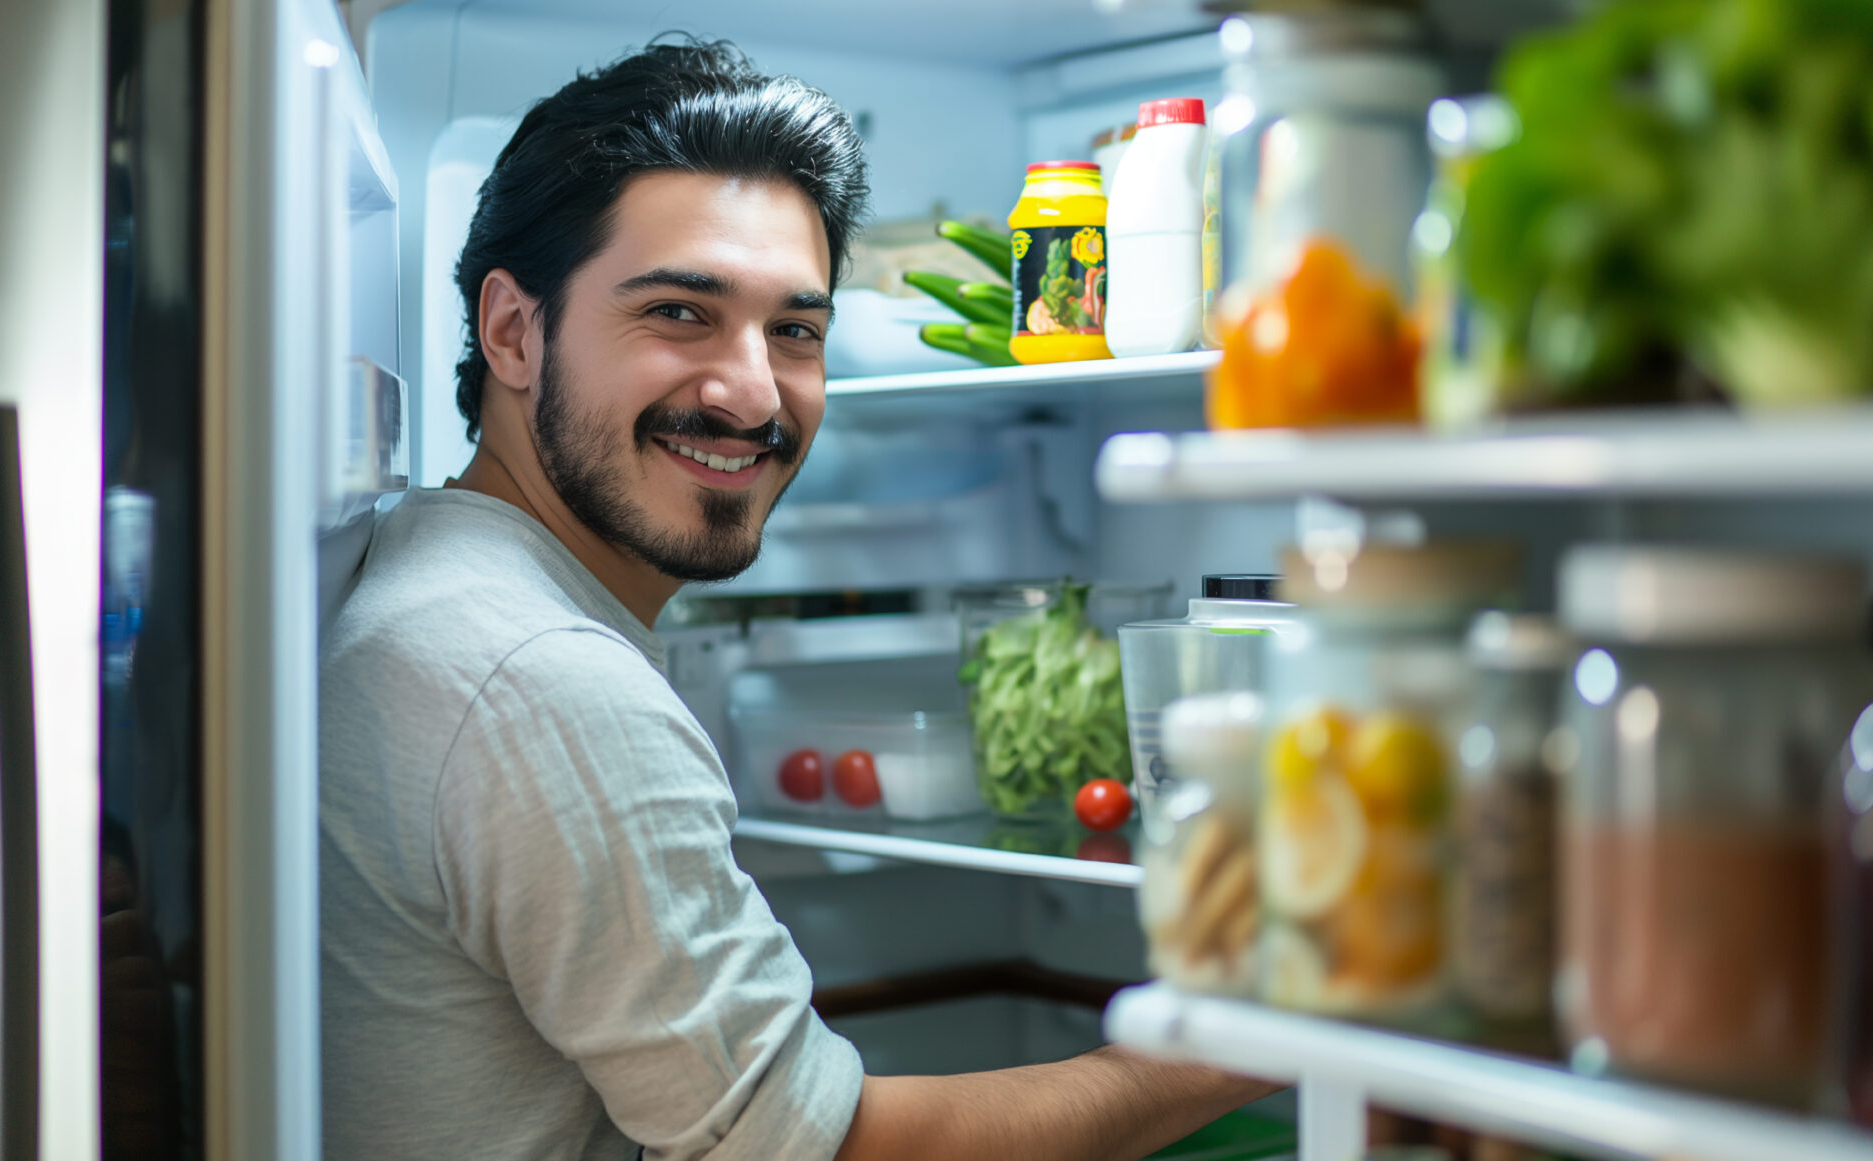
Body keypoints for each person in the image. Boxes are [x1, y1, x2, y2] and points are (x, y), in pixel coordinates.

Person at [318, 37, 1278, 1161]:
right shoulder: (539, 680)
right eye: (679, 312)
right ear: (513, 330)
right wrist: (1244, 1040)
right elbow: (823, 1152)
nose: (752, 393)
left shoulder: (428, 573)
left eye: (795, 331)